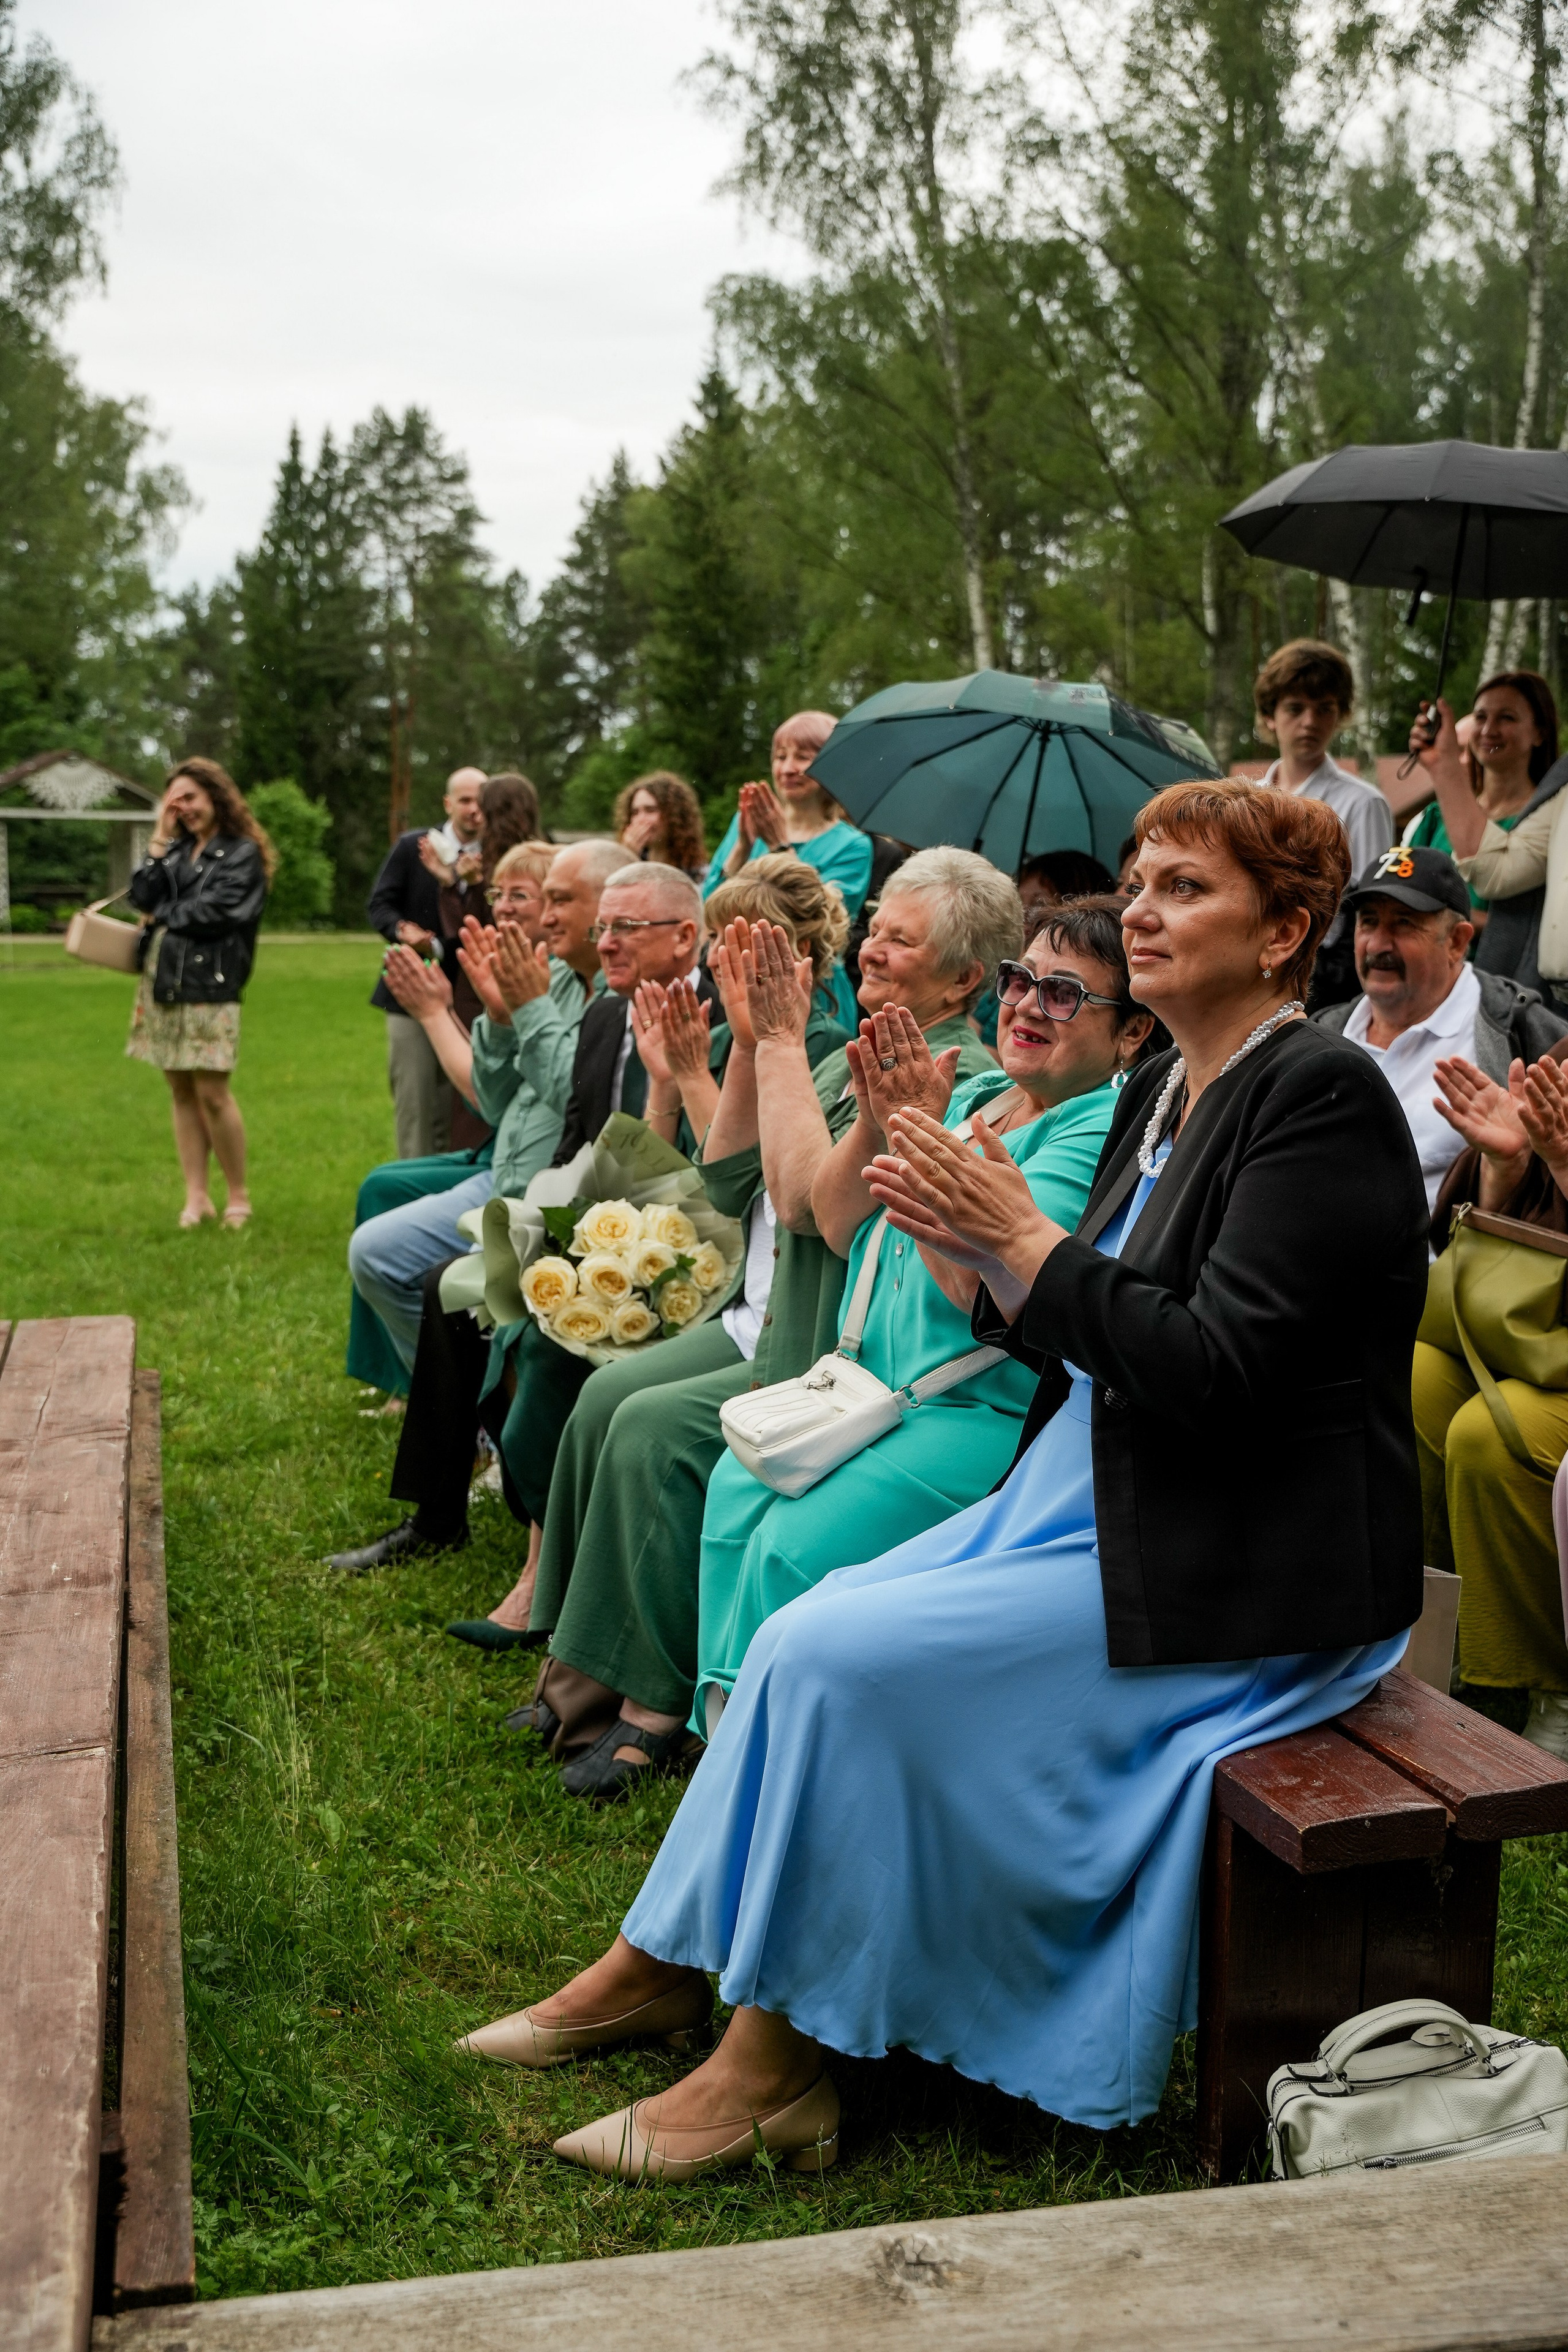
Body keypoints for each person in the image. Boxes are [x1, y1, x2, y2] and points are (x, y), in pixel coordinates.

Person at [455, 780, 1425, 2186]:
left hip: (1240, 1558)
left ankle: (771, 2072)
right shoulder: (1163, 1079)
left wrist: (1018, 1243)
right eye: (1136, 877)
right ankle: (667, 1958)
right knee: (800, 1633)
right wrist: (977, 1260)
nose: (1138, 906)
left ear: (1284, 933)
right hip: (1101, 1494)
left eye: (1181, 888)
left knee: (842, 1658)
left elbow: (1220, 1372)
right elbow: (1069, 1320)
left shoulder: (1316, 1093)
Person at [515, 847, 1017, 1787]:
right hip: (790, 1335)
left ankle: (651, 1705)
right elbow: (730, 1175)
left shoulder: (961, 1077)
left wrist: (780, 1042)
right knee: (618, 1409)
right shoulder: (845, 1054)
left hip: (835, 1354)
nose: (870, 951)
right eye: (871, 929)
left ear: (965, 979)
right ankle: (587, 1679)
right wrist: (750, 1042)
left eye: (899, 941)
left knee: (651, 1430)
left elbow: (807, 1208)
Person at [692, 895, 1152, 1735]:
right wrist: (884, 1119)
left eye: (1065, 994)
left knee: (793, 1550)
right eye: (1021, 982)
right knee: (734, 1497)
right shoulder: (973, 1089)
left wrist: (913, 1130)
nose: (1025, 1006)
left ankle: (790, 1765)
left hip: (977, 1414)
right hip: (867, 1388)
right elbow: (831, 1220)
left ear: (1132, 1035)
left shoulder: (1095, 1129)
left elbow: (979, 1292)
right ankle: (732, 1748)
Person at [445, 859, 852, 1684]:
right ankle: (543, 1590)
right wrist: (672, 1080)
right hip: (679, 1222)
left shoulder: (810, 1040)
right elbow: (637, 1152)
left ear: (793, 956)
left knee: (583, 1367)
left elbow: (743, 1187)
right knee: (498, 1288)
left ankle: (563, 1617)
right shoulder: (625, 1014)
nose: (605, 939)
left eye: (739, 945)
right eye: (723, 943)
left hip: (748, 1273)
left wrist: (692, 1072)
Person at [326, 861, 712, 1574]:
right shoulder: (606, 1012)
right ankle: (436, 1516)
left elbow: (702, 1165)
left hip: (680, 1234)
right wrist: (541, 1223)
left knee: (530, 1316)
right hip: (587, 1213)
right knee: (453, 1284)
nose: (607, 943)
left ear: (685, 937)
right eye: (605, 929)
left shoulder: (712, 1015)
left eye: (625, 928)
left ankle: (546, 1531)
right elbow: (569, 1138)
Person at [345, 840, 619, 1384]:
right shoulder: (558, 978)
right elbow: (495, 1102)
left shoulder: (616, 989)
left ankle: (470, 1409)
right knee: (374, 1253)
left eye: (554, 900)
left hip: (557, 1204)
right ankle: (457, 1403)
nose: (541, 915)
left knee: (469, 1295)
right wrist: (497, 1018)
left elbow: (583, 1100)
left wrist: (524, 1008)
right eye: (507, 895)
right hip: (504, 1180)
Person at [1415, 1047, 1568, 1759]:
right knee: (1406, 1376)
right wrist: (1506, 1169)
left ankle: (1541, 1683)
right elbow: (1471, 1243)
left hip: (1547, 1374)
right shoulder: (1560, 1059)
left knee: (1489, 1433)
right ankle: (1426, 1629)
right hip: (1525, 1344)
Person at [1313, 846, 1567, 1212]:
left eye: (1403, 923)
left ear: (1457, 942)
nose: (1379, 944)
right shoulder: (1323, 1034)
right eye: (1368, 922)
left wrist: (1509, 1162)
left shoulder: (1522, 1034)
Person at [126, 758, 274, 1231]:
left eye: (190, 797)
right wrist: (158, 836)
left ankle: (238, 1196)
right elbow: (141, 897)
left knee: (213, 1091)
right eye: (174, 801)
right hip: (162, 981)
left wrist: (162, 914)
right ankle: (196, 1197)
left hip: (211, 985)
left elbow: (220, 912)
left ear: (216, 797)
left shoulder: (243, 852)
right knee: (180, 1088)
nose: (183, 808)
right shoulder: (174, 853)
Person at [704, 713, 871, 1025]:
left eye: (803, 758)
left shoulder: (853, 845)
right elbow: (709, 909)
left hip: (816, 991)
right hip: (743, 981)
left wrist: (780, 846)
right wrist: (741, 846)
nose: (788, 768)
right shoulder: (747, 825)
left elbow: (822, 923)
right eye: (780, 757)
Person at [1254, 639, 1392, 1008]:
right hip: (1250, 970)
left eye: (1324, 709)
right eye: (1295, 708)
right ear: (1270, 714)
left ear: (1340, 714)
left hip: (1325, 985)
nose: (1310, 722)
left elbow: (1370, 908)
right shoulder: (1245, 803)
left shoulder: (1363, 803)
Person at [1409, 679, 1568, 998]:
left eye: (1507, 718)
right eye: (1481, 717)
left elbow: (1506, 884)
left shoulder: (1553, 816)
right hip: (1425, 980)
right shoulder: (1434, 818)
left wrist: (1469, 921)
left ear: (1539, 733)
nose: (1489, 730)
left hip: (1508, 990)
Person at [367, 765, 486, 1158]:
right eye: (465, 800)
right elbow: (379, 905)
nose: (474, 809)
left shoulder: (500, 855)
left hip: (476, 999)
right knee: (416, 1104)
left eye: (481, 800)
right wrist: (404, 931)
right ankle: (412, 1192)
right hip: (412, 995)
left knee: (467, 1106)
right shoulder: (414, 847)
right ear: (448, 803)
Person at [614, 770, 707, 881]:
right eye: (635, 812)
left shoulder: (698, 873)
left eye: (650, 810)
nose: (641, 820)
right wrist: (626, 857)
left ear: (673, 815)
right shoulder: (626, 864)